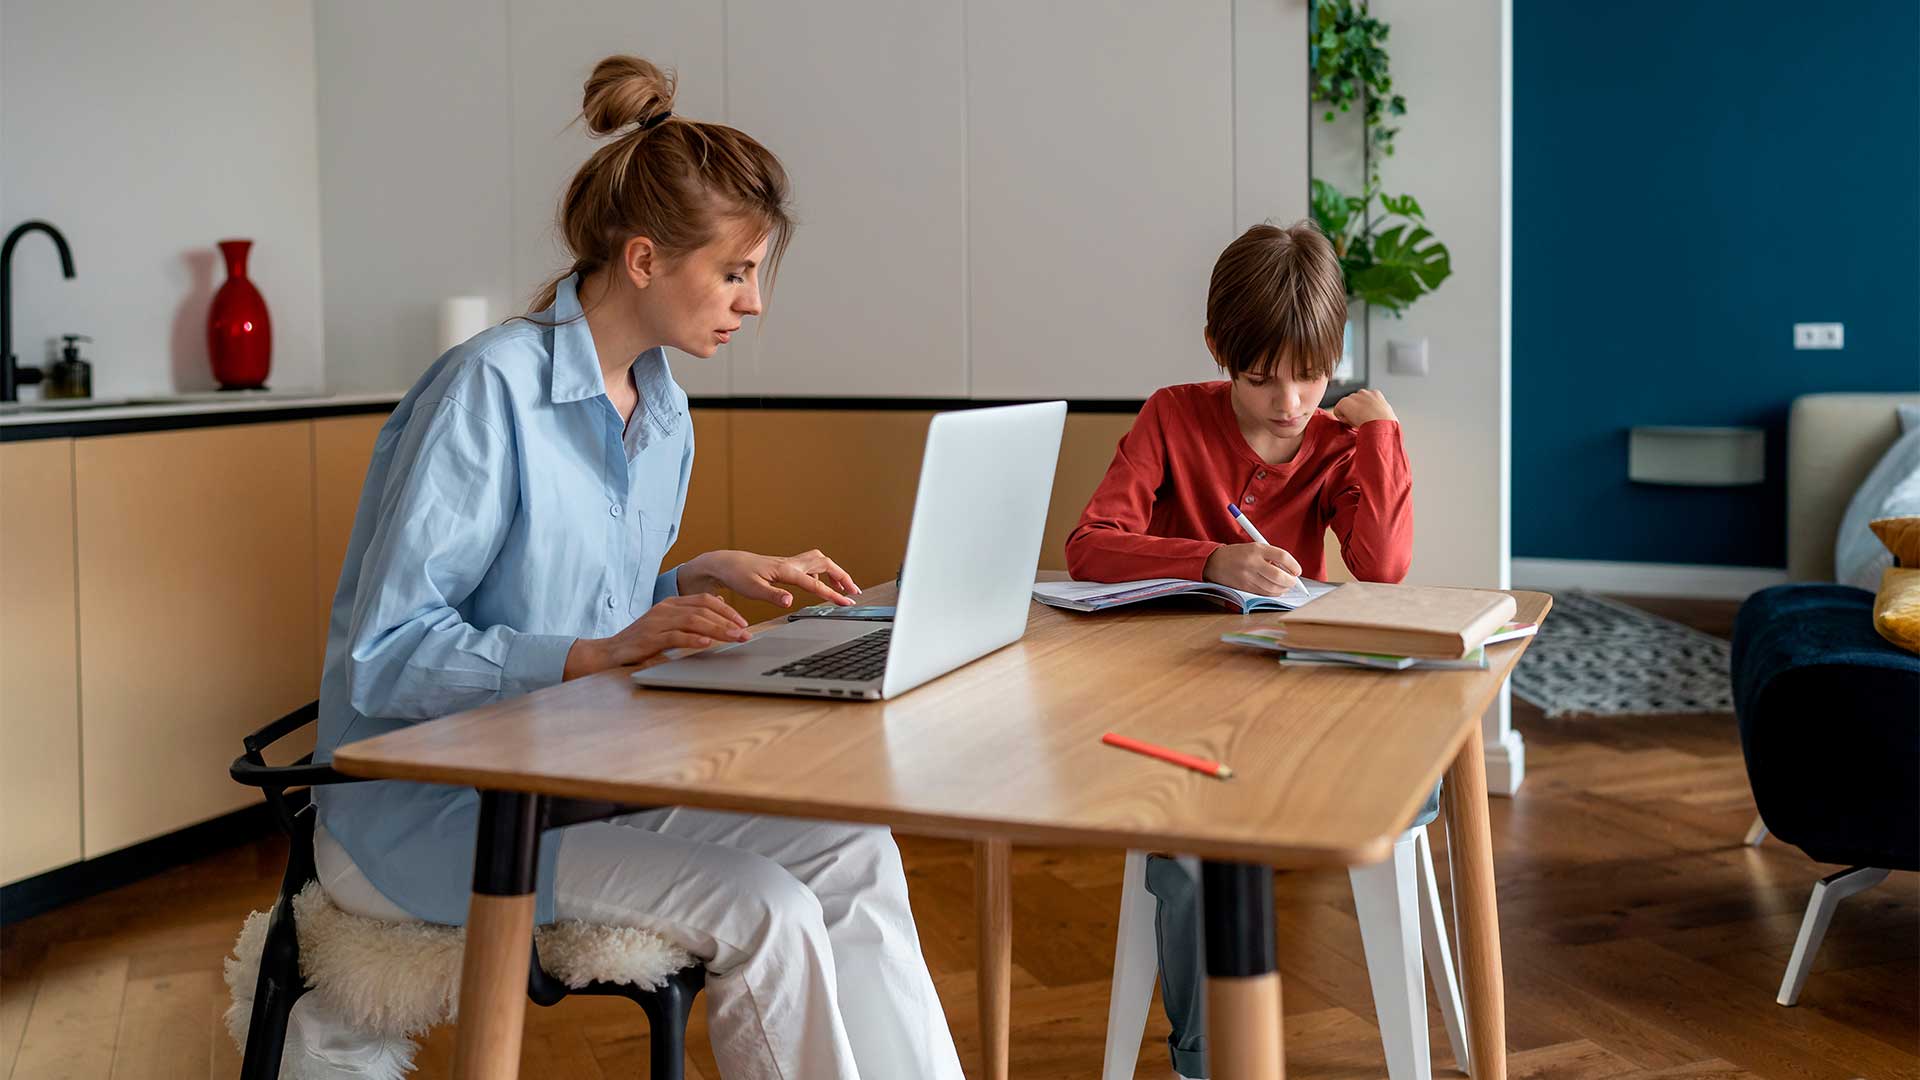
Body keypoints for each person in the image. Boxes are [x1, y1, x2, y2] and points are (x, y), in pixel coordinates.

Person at [296, 55, 966, 1080]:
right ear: (646, 260)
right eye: (736, 273)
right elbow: (386, 658)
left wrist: (690, 583)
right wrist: (605, 648)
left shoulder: (662, 411)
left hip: (576, 787)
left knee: (853, 849)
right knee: (768, 909)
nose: (755, 303)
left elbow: (576, 617)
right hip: (428, 818)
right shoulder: (486, 392)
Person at [1065, 219, 1417, 1079]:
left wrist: (1380, 434)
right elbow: (1090, 544)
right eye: (1262, 379)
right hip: (1174, 697)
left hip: (1294, 697)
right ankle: (1201, 1061)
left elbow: (1383, 566)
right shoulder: (1172, 416)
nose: (1289, 403)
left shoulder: (1336, 444)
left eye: (1311, 376)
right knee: (1186, 850)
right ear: (1220, 350)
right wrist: (1210, 557)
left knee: (1402, 797)